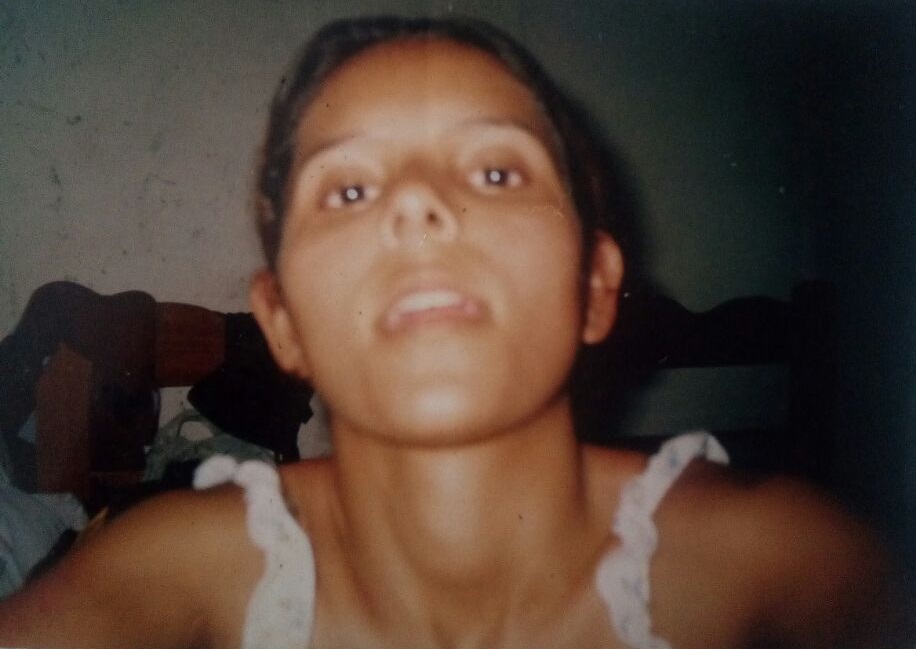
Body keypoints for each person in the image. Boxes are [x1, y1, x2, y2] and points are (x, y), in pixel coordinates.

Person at [0, 15, 903, 649]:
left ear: (595, 286)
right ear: (283, 323)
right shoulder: (171, 566)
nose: (419, 205)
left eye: (498, 173)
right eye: (349, 189)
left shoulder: (783, 560)